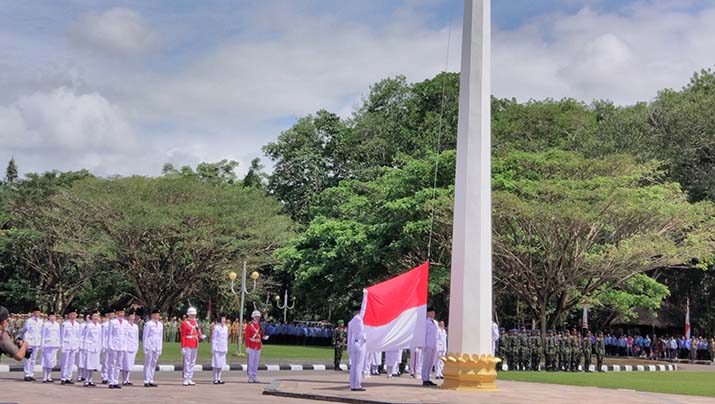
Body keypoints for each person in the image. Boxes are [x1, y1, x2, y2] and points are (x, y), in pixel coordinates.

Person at [180, 307, 203, 386]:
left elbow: (197, 333)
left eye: (194, 314)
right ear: (188, 315)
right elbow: (183, 335)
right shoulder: (184, 323)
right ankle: (186, 378)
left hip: (195, 343)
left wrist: (201, 336)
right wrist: (182, 347)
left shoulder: (196, 323)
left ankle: (190, 378)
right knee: (187, 361)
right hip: (187, 343)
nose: (193, 316)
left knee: (193, 362)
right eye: (191, 314)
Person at [107, 307, 129, 389]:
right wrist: (109, 345)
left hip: (122, 345)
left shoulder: (125, 322)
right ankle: (111, 381)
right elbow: (109, 334)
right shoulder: (112, 322)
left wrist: (126, 346)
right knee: (112, 363)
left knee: (119, 364)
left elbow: (126, 335)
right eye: (120, 312)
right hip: (114, 345)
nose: (122, 314)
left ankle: (116, 381)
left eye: (123, 313)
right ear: (117, 313)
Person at [245, 310, 268, 383]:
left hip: (258, 345)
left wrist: (264, 337)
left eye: (258, 316)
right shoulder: (249, 325)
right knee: (250, 362)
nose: (258, 318)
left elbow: (261, 334)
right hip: (251, 345)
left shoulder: (260, 325)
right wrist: (247, 346)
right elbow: (247, 337)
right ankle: (250, 376)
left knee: (256, 362)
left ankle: (254, 375)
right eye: (256, 316)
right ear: (253, 317)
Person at [60, 308, 81, 385]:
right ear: (69, 315)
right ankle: (63, 378)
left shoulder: (77, 325)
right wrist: (62, 345)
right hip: (66, 344)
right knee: (65, 362)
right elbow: (62, 335)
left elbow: (78, 336)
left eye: (75, 314)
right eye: (72, 314)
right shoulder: (65, 324)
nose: (73, 316)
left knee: (71, 362)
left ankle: (69, 377)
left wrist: (78, 345)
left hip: (74, 345)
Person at [142, 309, 163, 387]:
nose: (157, 316)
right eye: (156, 315)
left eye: (158, 315)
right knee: (148, 363)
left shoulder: (160, 324)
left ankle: (151, 379)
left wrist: (160, 347)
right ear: (152, 315)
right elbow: (145, 336)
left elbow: (160, 337)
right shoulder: (148, 324)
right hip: (149, 345)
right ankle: (146, 380)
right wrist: (145, 347)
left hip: (157, 346)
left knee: (153, 363)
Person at [347, 307, 367, 391]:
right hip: (360, 343)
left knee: (353, 366)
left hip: (353, 344)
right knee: (359, 366)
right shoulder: (359, 320)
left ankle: (352, 384)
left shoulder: (350, 322)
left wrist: (349, 348)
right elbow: (362, 333)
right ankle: (357, 385)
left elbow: (349, 336)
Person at [81, 312, 102, 387]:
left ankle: (90, 380)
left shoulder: (99, 326)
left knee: (93, 365)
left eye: (97, 316)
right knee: (88, 364)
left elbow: (100, 337)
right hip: (89, 346)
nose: (96, 318)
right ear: (91, 317)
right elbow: (85, 337)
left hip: (96, 347)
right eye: (94, 316)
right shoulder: (88, 326)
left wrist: (100, 347)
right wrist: (85, 347)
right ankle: (86, 380)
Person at [22, 308, 43, 381]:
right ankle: (27, 374)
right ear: (33, 313)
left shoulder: (41, 321)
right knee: (28, 358)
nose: (37, 314)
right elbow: (25, 332)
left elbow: (41, 333)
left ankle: (31, 374)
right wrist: (25, 342)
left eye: (38, 313)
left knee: (34, 359)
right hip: (29, 342)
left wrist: (41, 342)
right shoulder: (29, 321)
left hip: (37, 342)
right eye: (36, 313)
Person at [40, 312, 60, 382]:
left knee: (52, 361)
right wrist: (42, 345)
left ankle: (49, 376)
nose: (53, 318)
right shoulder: (45, 324)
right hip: (47, 344)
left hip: (54, 344)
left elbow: (58, 335)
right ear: (49, 317)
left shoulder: (57, 325)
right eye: (51, 316)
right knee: (46, 361)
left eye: (54, 316)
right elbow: (43, 335)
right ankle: (44, 377)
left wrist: (58, 344)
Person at [121, 312, 139, 386]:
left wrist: (136, 347)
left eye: (133, 317)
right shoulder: (126, 325)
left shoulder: (135, 326)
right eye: (131, 317)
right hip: (127, 346)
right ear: (128, 317)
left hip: (133, 346)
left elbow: (136, 337)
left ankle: (127, 379)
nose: (132, 318)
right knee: (125, 364)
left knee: (130, 364)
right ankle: (124, 379)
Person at [211, 314, 229, 384]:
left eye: (224, 319)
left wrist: (226, 348)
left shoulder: (226, 328)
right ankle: (215, 378)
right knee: (216, 364)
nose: (224, 321)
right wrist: (213, 347)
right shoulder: (216, 327)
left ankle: (219, 378)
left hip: (223, 347)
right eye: (223, 319)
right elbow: (214, 338)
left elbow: (226, 339)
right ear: (220, 320)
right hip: (217, 348)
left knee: (221, 364)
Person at [100, 311, 115, 384]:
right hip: (106, 344)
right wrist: (102, 345)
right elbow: (102, 336)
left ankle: (111, 377)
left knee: (112, 362)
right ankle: (104, 376)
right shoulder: (104, 325)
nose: (112, 315)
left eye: (113, 314)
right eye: (111, 314)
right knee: (105, 362)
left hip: (113, 345)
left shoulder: (115, 324)